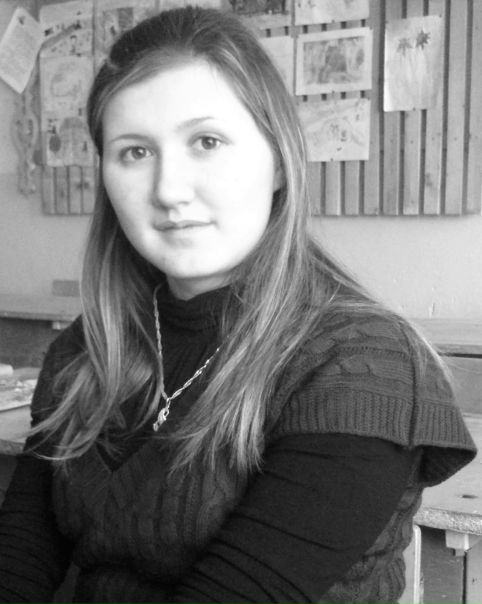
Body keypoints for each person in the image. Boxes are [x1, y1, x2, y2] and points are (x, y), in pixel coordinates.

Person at [0, 6, 476, 604]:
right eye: (135, 152)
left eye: (207, 142)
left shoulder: (363, 364)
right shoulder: (88, 348)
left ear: (278, 161)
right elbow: (22, 552)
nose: (169, 190)